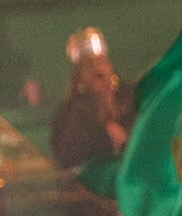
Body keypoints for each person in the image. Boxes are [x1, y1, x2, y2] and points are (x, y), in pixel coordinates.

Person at [50, 27, 132, 171]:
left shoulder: (131, 99)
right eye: (89, 65)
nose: (97, 69)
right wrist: (106, 139)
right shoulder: (69, 114)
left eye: (101, 62)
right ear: (79, 75)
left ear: (110, 66)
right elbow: (66, 154)